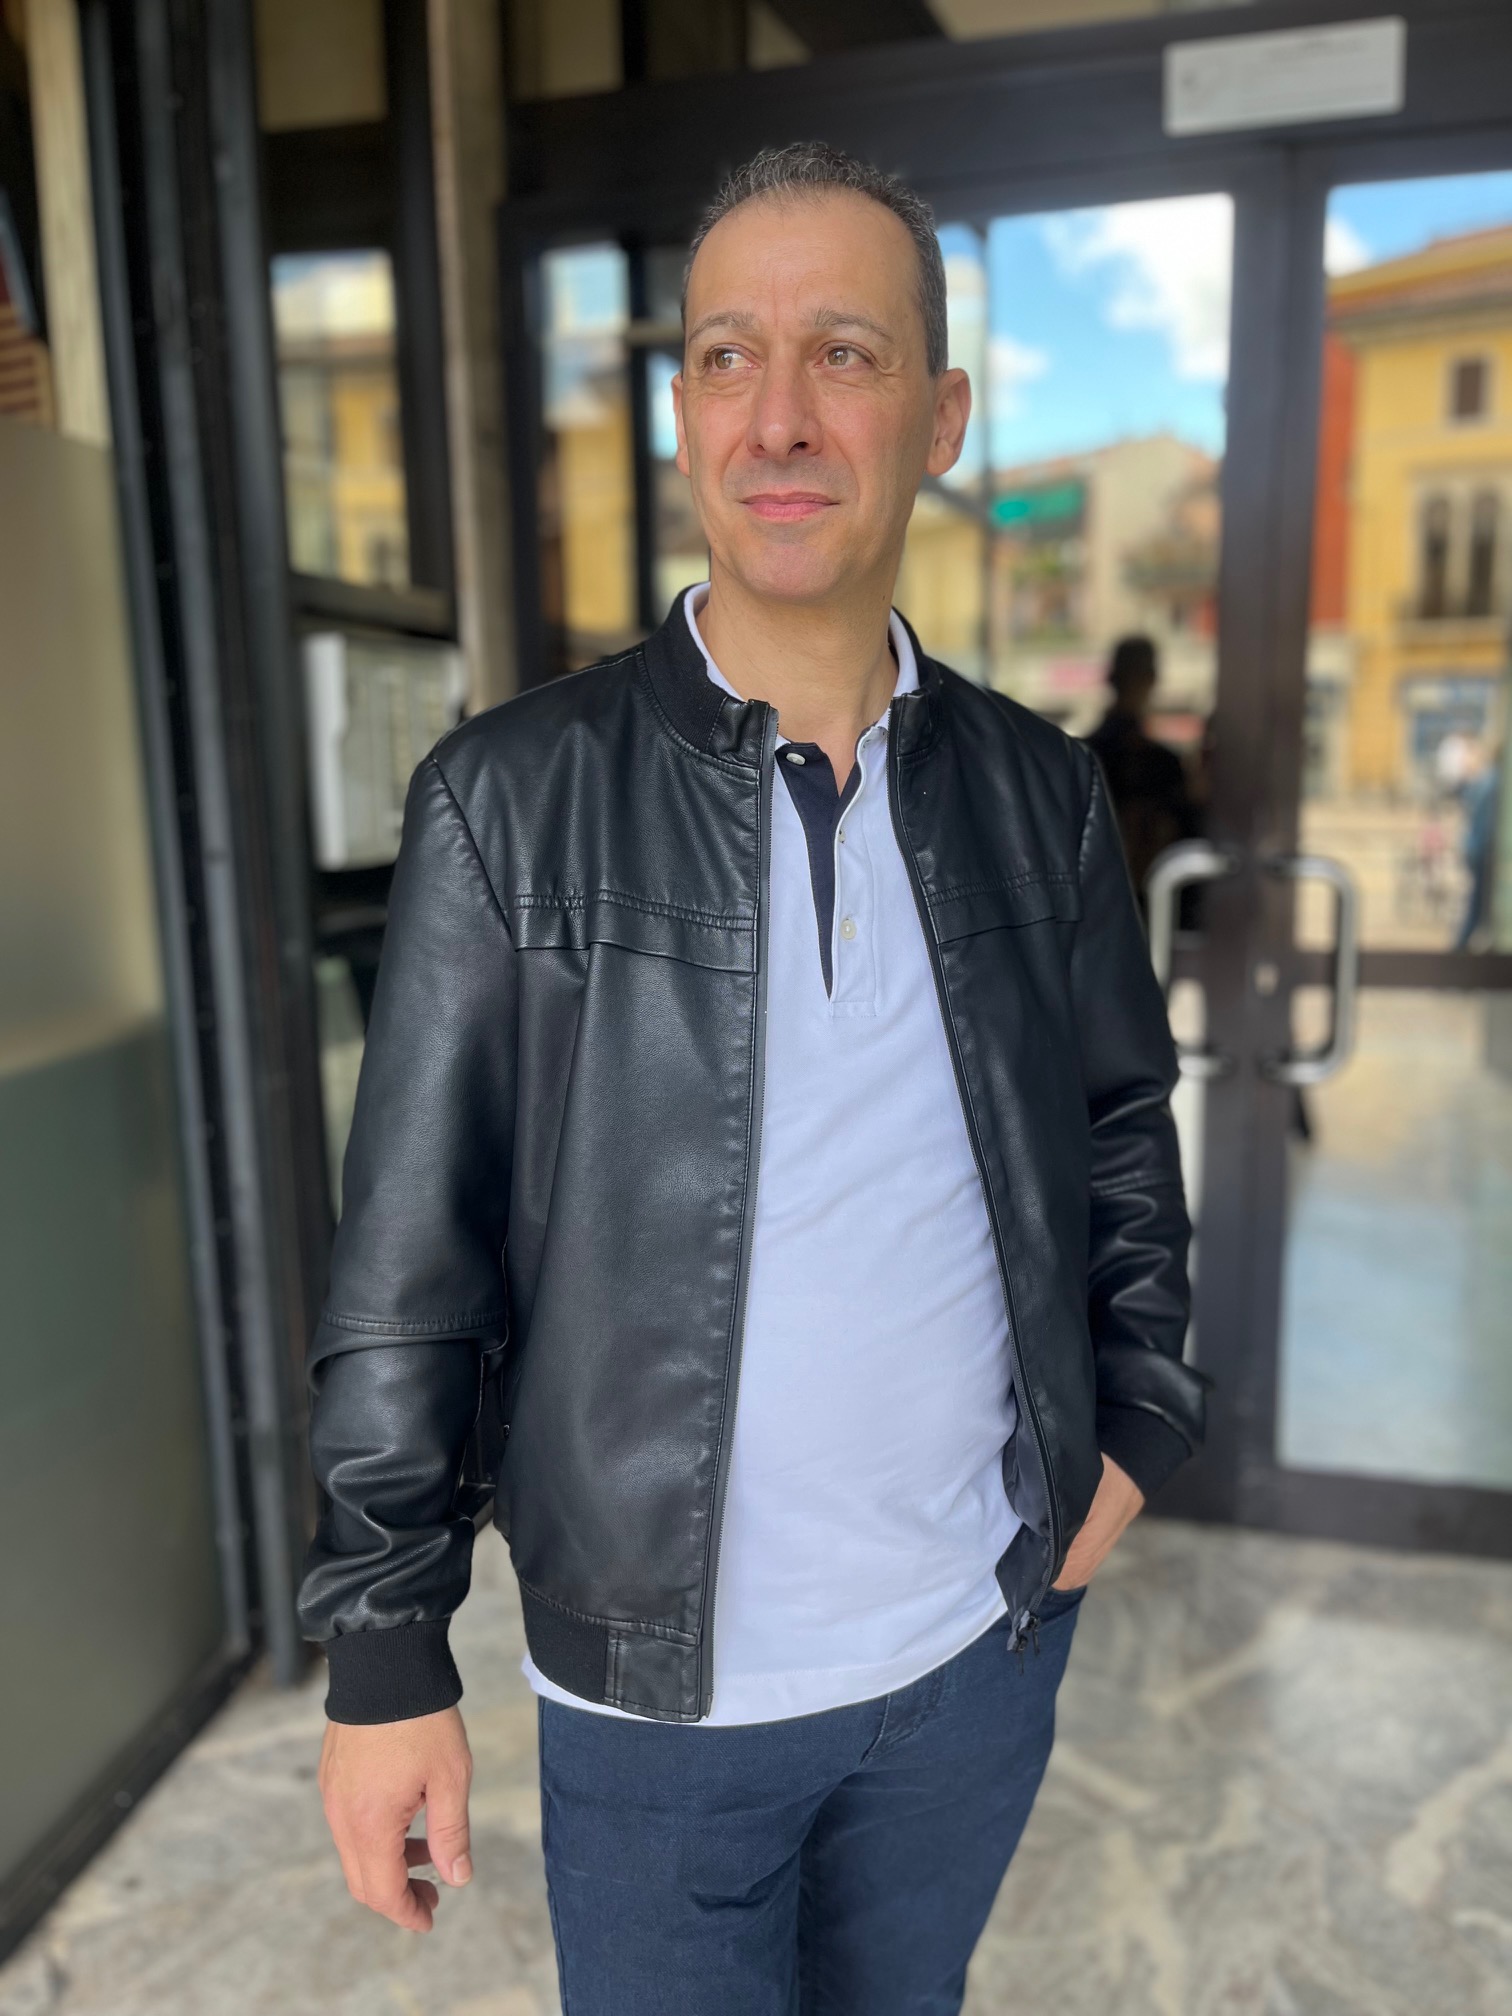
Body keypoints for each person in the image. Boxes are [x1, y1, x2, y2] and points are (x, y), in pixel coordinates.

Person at [299, 142, 1208, 2015]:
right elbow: (408, 1260)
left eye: (843, 355)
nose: (777, 416)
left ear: (939, 416)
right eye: (727, 356)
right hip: (662, 1708)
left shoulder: (1038, 794)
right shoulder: (506, 803)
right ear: (682, 417)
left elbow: (1120, 1125)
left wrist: (1133, 1432)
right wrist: (384, 1649)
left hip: (976, 1652)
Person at [1084, 634, 1200, 912]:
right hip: (1146, 902)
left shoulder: (1084, 756)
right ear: (1151, 680)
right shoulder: (1160, 763)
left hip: (1096, 900)